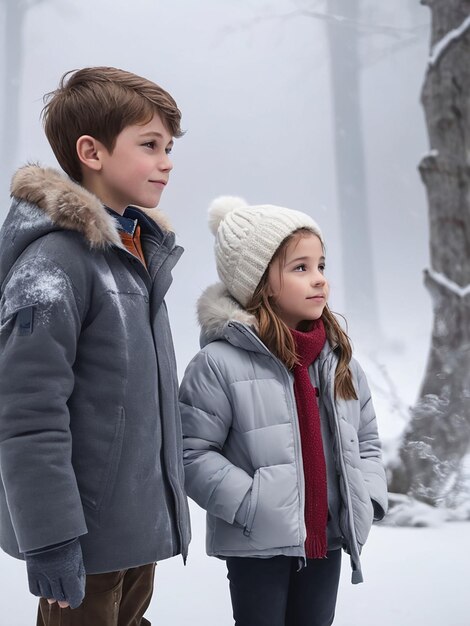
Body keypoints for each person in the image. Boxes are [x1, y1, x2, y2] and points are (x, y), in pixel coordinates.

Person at [0, 66, 191, 626]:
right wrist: (51, 540)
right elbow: (26, 415)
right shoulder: (56, 263)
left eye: (170, 146)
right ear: (92, 151)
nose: (167, 161)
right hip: (81, 546)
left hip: (131, 538)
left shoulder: (131, 258)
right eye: (150, 144)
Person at [179, 196, 388, 626]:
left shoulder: (337, 360)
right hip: (259, 544)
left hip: (327, 539)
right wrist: (252, 504)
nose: (319, 280)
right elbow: (192, 453)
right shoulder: (219, 364)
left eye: (321, 266)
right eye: (300, 268)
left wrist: (365, 498)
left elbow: (365, 439)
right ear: (261, 282)